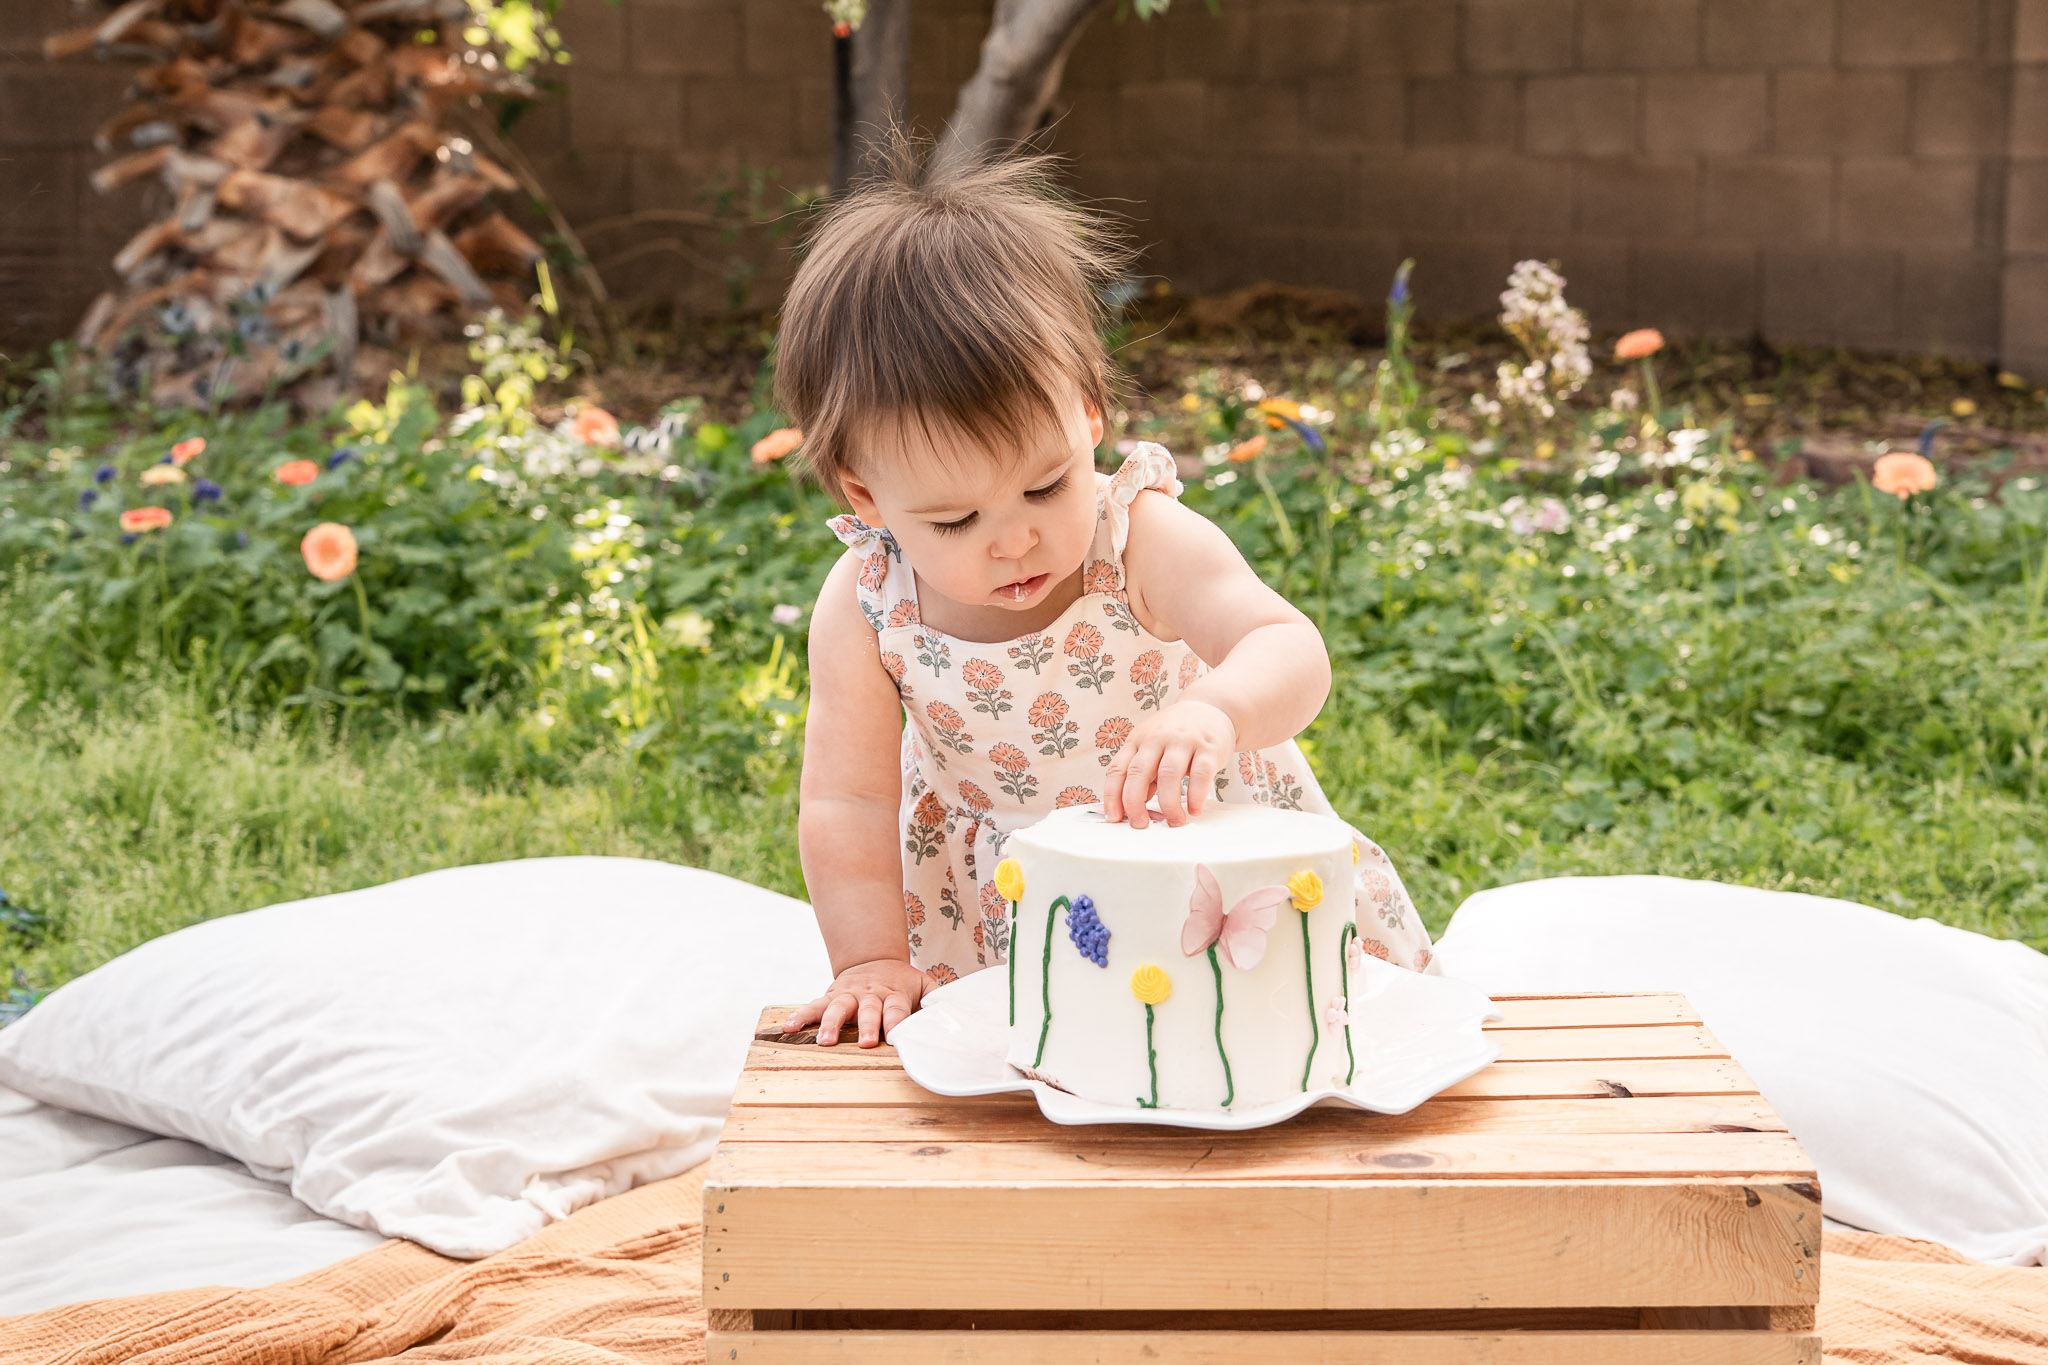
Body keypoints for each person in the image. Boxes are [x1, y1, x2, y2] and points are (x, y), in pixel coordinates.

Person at [777, 143, 1434, 1048]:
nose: (1015, 539)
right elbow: (846, 801)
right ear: (867, 496)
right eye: (955, 520)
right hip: (1004, 905)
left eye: (1046, 485)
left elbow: (1289, 646)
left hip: (1199, 861)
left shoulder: (1135, 540)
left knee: (1251, 1051)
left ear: (1089, 412)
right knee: (1041, 1071)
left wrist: (1216, 710)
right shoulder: (871, 601)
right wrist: (870, 959)